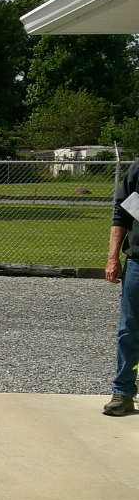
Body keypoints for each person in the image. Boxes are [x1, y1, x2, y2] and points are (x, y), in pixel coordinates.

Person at [104, 158, 139, 415]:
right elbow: (122, 213)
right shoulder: (138, 169)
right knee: (129, 328)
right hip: (138, 260)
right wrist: (112, 257)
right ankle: (123, 391)